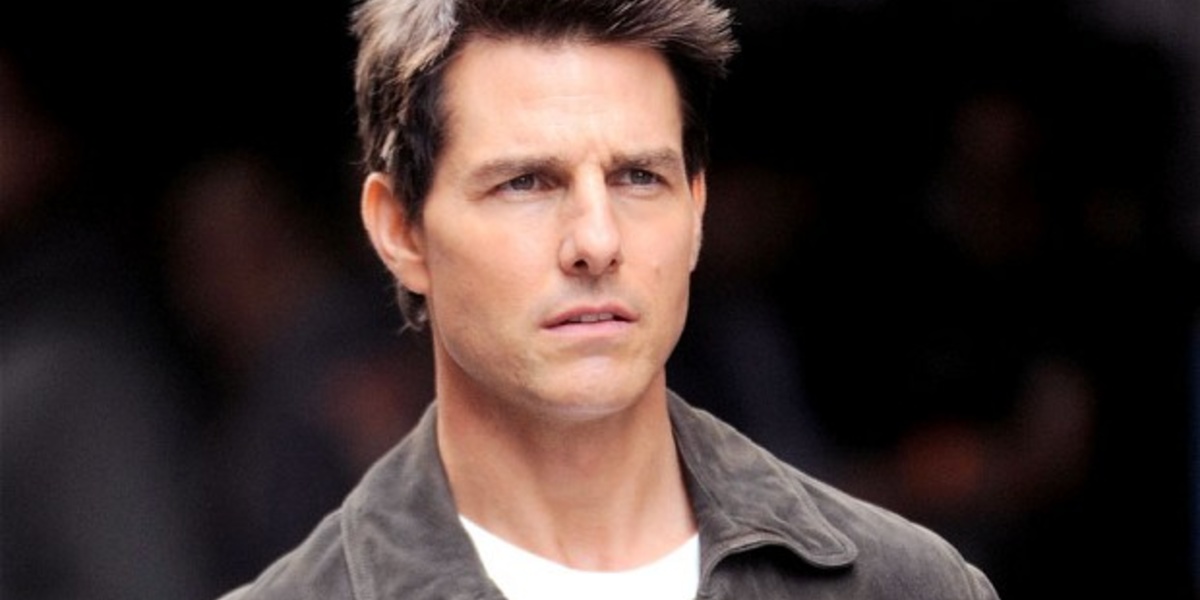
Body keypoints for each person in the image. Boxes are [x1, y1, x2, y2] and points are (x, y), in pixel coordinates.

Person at [216, 0, 1000, 598]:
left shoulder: (906, 585)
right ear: (400, 231)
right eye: (526, 182)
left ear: (696, 210)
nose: (597, 240)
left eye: (639, 178)